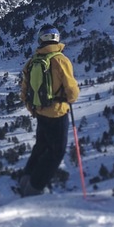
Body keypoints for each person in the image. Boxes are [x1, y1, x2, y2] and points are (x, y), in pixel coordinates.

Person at [18, 25, 80, 196]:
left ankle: (25, 180)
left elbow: (24, 92)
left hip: (40, 112)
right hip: (58, 113)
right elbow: (72, 90)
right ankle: (35, 187)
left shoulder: (31, 62)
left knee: (41, 146)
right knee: (56, 151)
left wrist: (33, 109)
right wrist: (70, 99)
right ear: (57, 39)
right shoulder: (61, 61)